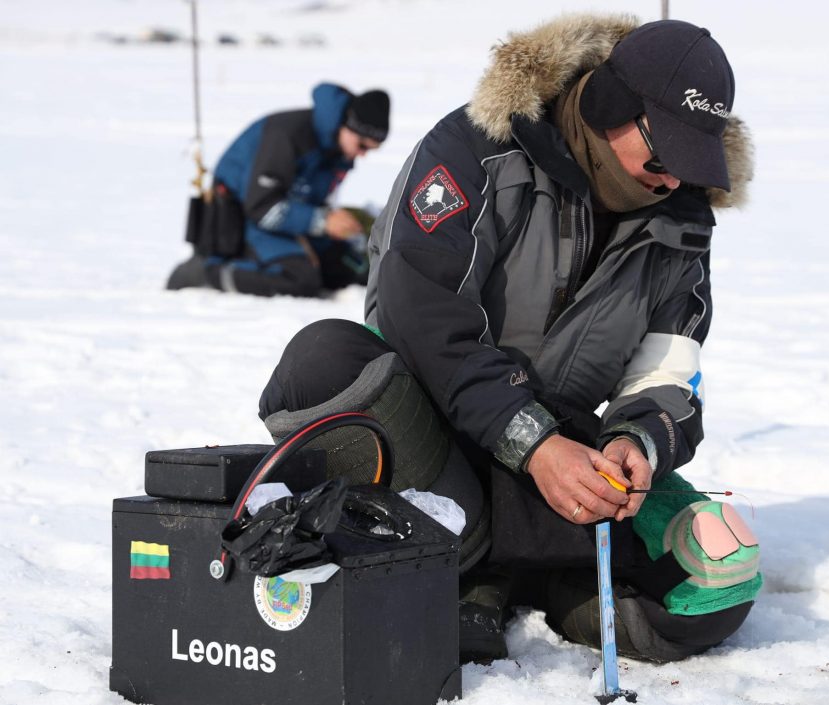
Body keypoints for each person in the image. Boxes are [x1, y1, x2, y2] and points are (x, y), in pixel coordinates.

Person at [258, 15, 761, 664]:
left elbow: (669, 365)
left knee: (718, 575)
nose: (671, 181)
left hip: (568, 452)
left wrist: (638, 440)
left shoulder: (684, 223)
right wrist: (533, 444)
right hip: (431, 435)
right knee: (322, 361)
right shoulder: (477, 150)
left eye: (691, 165)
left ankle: (516, 574)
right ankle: (479, 559)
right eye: (662, 156)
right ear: (611, 107)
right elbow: (424, 319)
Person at [167, 83, 390, 297]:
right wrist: (322, 221)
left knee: (357, 271)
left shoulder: (338, 149)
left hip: (289, 219)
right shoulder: (285, 137)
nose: (362, 155)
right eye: (362, 145)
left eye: (371, 150)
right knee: (300, 280)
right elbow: (261, 207)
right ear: (347, 126)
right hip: (242, 221)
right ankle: (208, 272)